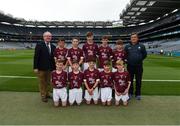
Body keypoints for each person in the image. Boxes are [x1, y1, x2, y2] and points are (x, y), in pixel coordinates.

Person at [33, 31, 56, 102]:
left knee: (49, 82)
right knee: (42, 82)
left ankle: (47, 93)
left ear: (51, 37)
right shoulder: (39, 45)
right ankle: (43, 95)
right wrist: (35, 67)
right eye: (46, 36)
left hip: (50, 68)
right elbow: (36, 57)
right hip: (41, 68)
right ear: (43, 37)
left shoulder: (53, 46)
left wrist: (54, 68)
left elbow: (53, 58)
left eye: (49, 36)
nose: (48, 37)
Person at [124, 33, 147, 100]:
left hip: (139, 66)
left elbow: (144, 55)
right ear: (130, 39)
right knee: (129, 81)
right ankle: (130, 93)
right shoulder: (127, 46)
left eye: (135, 37)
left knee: (138, 80)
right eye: (132, 37)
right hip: (130, 66)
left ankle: (138, 94)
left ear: (137, 38)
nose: (133, 38)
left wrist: (139, 59)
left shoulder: (141, 46)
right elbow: (125, 55)